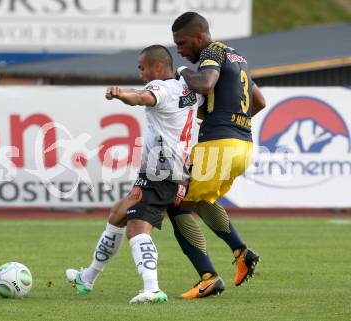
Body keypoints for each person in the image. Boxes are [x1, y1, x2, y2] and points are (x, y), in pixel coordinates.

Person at [65, 44, 224, 304]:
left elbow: (141, 97)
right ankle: (88, 277)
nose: (140, 73)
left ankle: (152, 288)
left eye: (142, 67)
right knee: (118, 214)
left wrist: (120, 94)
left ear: (157, 67)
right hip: (172, 168)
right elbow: (205, 106)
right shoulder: (191, 89)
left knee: (137, 227)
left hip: (160, 169)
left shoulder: (159, 87)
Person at [167, 12, 267, 298]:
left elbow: (205, 84)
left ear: (200, 37)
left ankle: (208, 277)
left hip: (220, 145)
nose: (180, 50)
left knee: (176, 205)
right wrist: (223, 116)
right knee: (200, 200)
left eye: (183, 43)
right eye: (176, 45)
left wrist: (184, 73)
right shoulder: (236, 56)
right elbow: (259, 101)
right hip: (243, 146)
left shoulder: (211, 53)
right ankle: (242, 252)